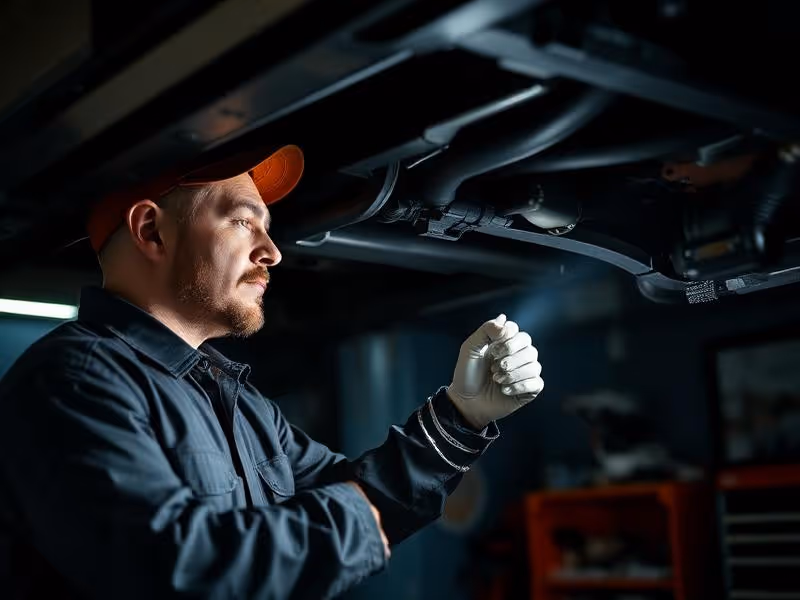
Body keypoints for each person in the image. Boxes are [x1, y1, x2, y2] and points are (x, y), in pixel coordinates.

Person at [0, 144, 544, 600]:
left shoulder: (236, 399)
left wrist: (459, 416)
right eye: (242, 221)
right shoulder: (73, 380)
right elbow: (179, 569)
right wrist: (357, 518)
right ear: (152, 231)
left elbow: (355, 489)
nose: (273, 253)